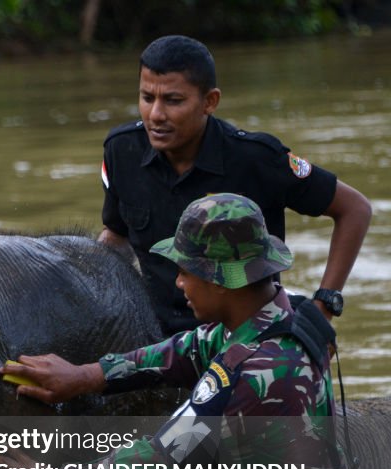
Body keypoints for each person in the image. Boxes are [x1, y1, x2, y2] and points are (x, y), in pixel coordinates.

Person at [0, 193, 361, 469]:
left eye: (187, 272)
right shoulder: (286, 316)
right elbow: (187, 349)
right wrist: (88, 375)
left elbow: (158, 462)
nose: (179, 283)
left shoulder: (253, 372)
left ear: (221, 280)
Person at [99, 34, 371, 336]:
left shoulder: (257, 159)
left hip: (249, 339)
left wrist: (324, 308)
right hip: (158, 341)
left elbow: (354, 209)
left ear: (210, 102)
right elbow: (115, 237)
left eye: (173, 101)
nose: (156, 115)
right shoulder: (121, 151)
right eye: (147, 98)